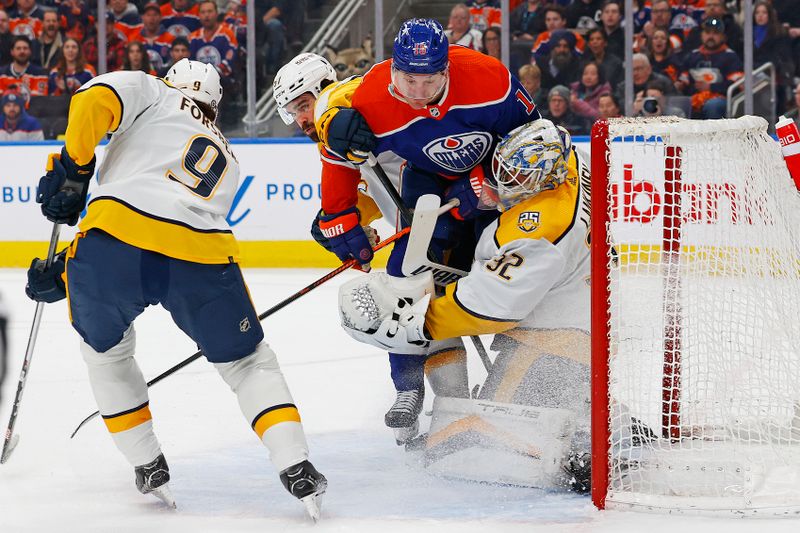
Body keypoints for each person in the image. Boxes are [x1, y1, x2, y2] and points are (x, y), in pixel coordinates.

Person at [24, 59, 326, 519]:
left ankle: (148, 464)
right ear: (215, 108)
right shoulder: (229, 155)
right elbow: (169, 221)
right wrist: (71, 269)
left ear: (172, 82)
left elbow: (93, 99)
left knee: (107, 354)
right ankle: (296, 465)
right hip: (201, 256)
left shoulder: (154, 91)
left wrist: (74, 168)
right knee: (247, 363)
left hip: (111, 246)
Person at [312, 18, 541, 442]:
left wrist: (492, 181)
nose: (417, 91)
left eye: (429, 78)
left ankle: (528, 383)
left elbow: (534, 142)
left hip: (496, 187)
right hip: (426, 185)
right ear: (392, 67)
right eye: (407, 78)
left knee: (511, 278)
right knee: (407, 285)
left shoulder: (490, 79)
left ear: (447, 69)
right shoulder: (372, 95)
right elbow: (337, 147)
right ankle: (415, 392)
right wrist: (338, 217)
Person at [338, 118, 592, 492]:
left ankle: (591, 445)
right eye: (503, 171)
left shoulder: (538, 229)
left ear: (546, 178)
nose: (505, 183)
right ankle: (602, 416)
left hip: (555, 341)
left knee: (478, 443)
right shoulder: (572, 159)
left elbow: (487, 306)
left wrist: (416, 323)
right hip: (585, 311)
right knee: (543, 412)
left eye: (517, 179)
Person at [677, 17, 742, 120]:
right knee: (676, 106)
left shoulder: (730, 57)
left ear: (723, 37)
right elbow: (684, 81)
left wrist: (710, 87)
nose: (711, 36)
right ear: (702, 35)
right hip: (694, 98)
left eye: (715, 33)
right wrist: (679, 85)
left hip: (720, 100)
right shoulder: (692, 56)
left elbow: (736, 86)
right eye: (707, 32)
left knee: (713, 105)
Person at [188, 1, 237, 80]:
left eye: (210, 11)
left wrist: (212, 75)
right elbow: (190, 62)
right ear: (199, 15)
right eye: (203, 12)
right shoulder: (193, 38)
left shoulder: (227, 34)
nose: (206, 15)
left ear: (217, 13)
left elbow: (230, 60)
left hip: (223, 81)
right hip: (198, 82)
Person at [128, 2, 176, 75]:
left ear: (160, 17)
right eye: (148, 15)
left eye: (155, 15)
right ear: (142, 17)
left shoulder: (170, 39)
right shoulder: (134, 39)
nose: (151, 18)